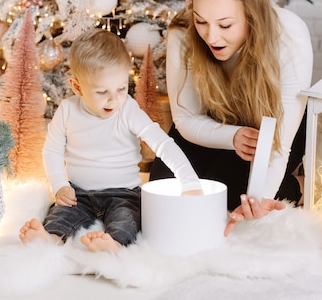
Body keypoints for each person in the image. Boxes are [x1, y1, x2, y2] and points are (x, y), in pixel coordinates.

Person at [150, 0, 313, 235]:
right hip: (214, 124)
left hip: (271, 129)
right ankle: (278, 184)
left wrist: (258, 200)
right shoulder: (182, 32)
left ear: (252, 14)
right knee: (164, 190)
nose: (212, 37)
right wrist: (232, 136)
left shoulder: (290, 35)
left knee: (235, 196)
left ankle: (294, 185)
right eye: (201, 22)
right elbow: (186, 118)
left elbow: (279, 143)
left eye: (225, 25)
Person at [19, 28, 203, 252]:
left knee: (129, 218)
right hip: (80, 193)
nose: (113, 99)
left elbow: (162, 144)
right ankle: (51, 238)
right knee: (61, 214)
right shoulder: (67, 110)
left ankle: (113, 243)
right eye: (101, 91)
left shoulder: (128, 110)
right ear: (77, 87)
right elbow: (52, 151)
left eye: (121, 88)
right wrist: (59, 185)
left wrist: (190, 182)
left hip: (123, 192)